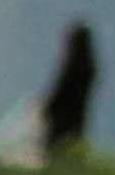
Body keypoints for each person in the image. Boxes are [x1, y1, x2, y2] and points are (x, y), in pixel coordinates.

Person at [40, 21, 98, 155]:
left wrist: (45, 106)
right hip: (74, 129)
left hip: (61, 126)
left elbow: (60, 92)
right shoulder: (88, 68)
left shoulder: (74, 67)